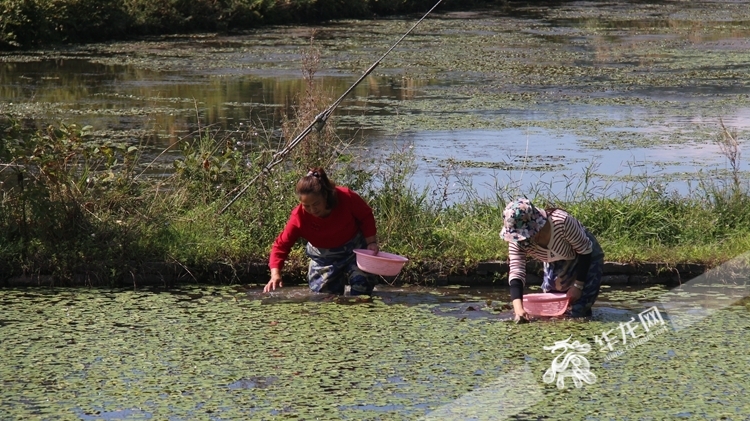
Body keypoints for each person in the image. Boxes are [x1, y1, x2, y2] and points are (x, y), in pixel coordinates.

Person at [263, 167, 380, 296]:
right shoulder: (298, 217)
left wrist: (371, 243)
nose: (312, 210)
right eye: (306, 206)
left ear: (325, 195)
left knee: (362, 288)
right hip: (323, 258)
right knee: (324, 298)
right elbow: (281, 246)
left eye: (316, 204)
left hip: (355, 252)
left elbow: (366, 216)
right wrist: (275, 274)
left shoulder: (346, 197)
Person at [499, 198, 604, 321]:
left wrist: (578, 285)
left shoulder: (562, 222)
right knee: (550, 310)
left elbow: (585, 250)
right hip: (554, 258)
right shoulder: (517, 240)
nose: (521, 241)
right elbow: (516, 271)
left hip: (586, 255)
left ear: (536, 227)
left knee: (576, 310)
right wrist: (519, 309)